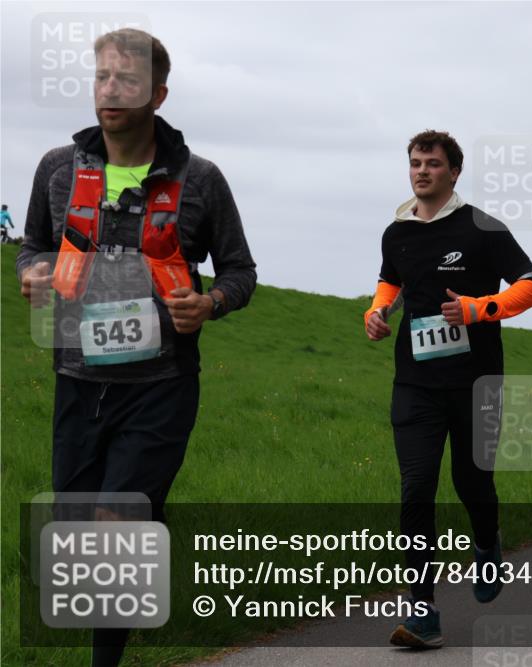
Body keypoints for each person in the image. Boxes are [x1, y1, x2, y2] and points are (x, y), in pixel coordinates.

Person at [16, 29, 256, 667]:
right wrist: (32, 271)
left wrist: (211, 302)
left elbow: (240, 271)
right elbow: (32, 245)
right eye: (102, 77)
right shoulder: (57, 169)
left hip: (161, 386)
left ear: (158, 94)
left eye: (127, 80)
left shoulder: (201, 180)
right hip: (77, 381)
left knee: (114, 529)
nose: (111, 90)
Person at [365, 130, 532, 649]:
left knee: (473, 484)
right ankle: (422, 611)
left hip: (476, 383)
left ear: (454, 172)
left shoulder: (483, 228)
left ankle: (487, 545)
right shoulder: (396, 231)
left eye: (432, 163)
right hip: (416, 383)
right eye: (415, 163)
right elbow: (391, 281)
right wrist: (377, 311)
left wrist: (478, 308)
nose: (421, 171)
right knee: (417, 487)